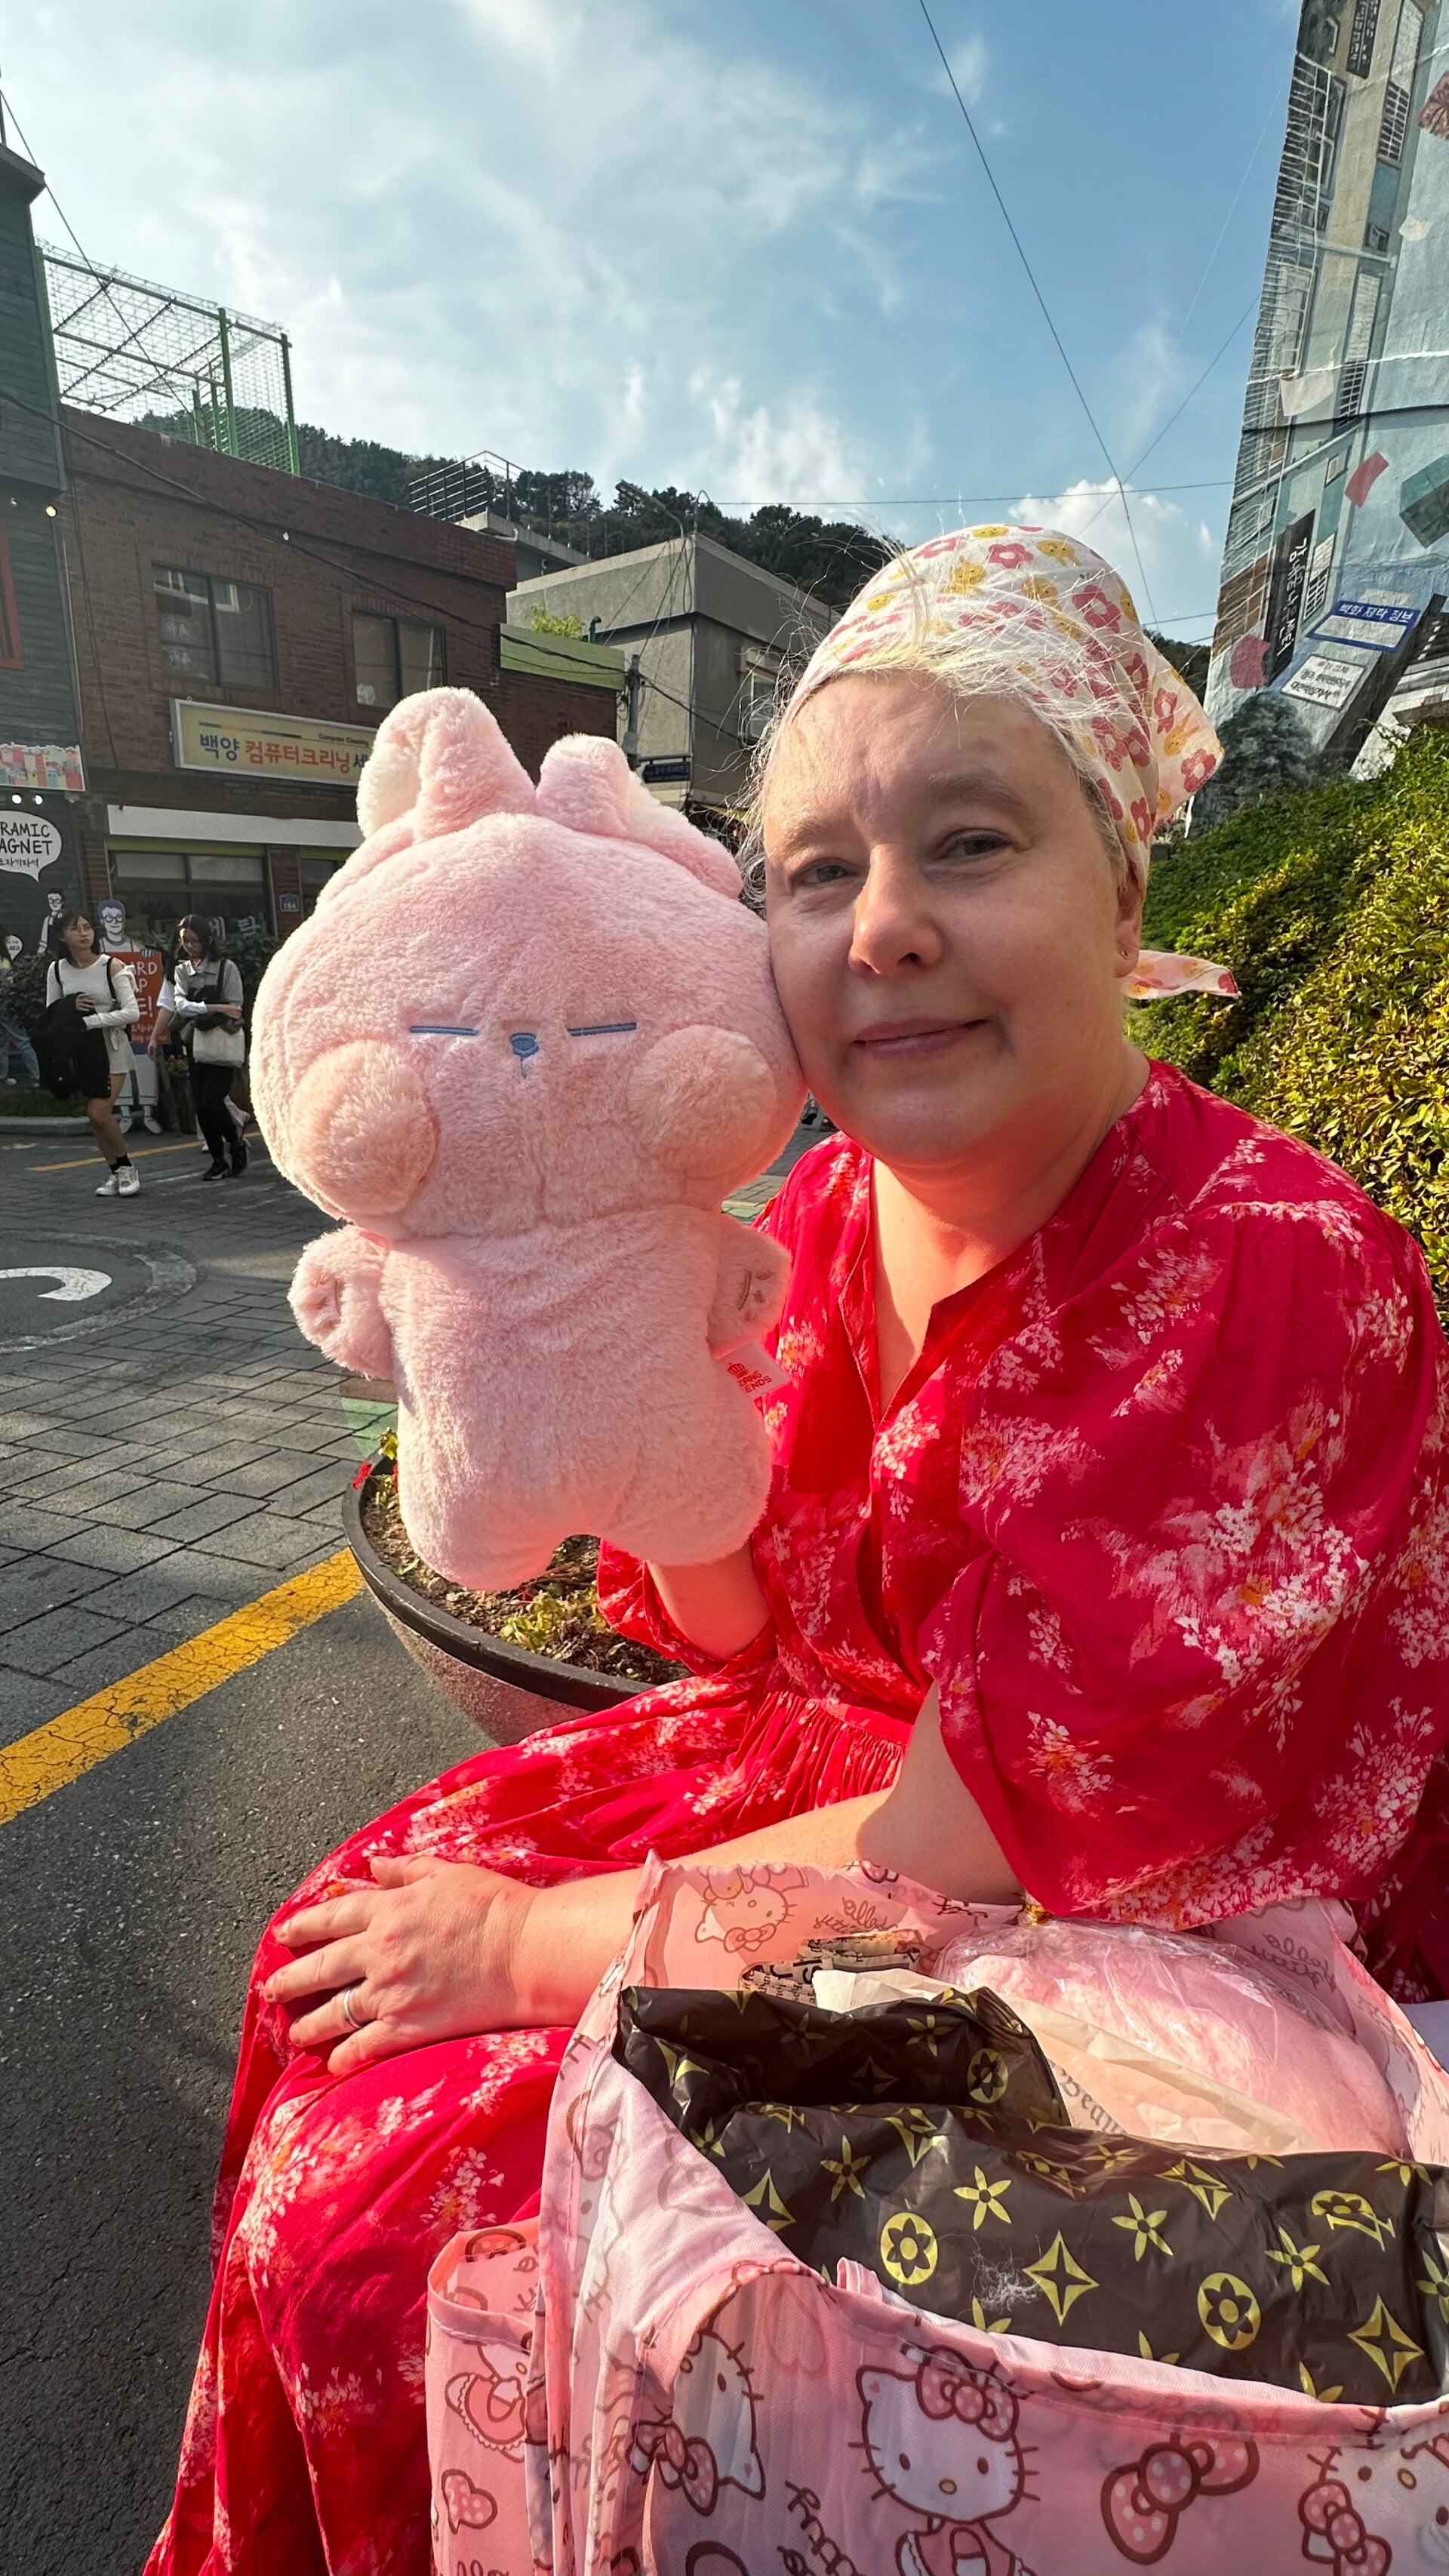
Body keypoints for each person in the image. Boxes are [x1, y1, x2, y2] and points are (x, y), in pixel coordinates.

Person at [147, 529, 1449, 2575]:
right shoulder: (823, 1210)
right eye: (821, 872)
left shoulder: (1267, 1267)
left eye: (970, 843)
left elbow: (1003, 1830)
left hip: (1120, 1925)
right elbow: (740, 1618)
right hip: (839, 1797)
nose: (887, 927)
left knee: (372, 2220)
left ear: (1124, 890)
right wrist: (575, 1366)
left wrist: (526, 1944)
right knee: (324, 1970)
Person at [43, 909, 140, 1195]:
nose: (84, 934)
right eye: (75, 929)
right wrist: (70, 1007)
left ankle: (128, 1169)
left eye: (87, 927)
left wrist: (91, 1021)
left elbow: (132, 1012)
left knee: (99, 1112)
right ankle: (116, 1173)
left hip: (111, 1047)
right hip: (81, 1052)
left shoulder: (112, 966)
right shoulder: (57, 970)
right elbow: (51, 1013)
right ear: (62, 936)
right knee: (95, 1119)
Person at [149, 913, 248, 1179]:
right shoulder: (181, 970)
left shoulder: (226, 968)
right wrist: (215, 1007)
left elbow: (236, 1007)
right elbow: (179, 1005)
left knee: (213, 1101)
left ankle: (236, 1143)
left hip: (223, 1042)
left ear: (207, 940)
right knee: (202, 1108)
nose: (190, 946)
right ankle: (219, 1160)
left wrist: (205, 1010)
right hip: (196, 1044)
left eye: (195, 940)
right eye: (185, 941)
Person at [0, 926, 39, 1086]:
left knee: (2, 1043)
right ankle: (36, 1078)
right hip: (5, 1004)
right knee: (21, 1040)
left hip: (3, 1004)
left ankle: (3, 1077)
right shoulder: (5, 959)